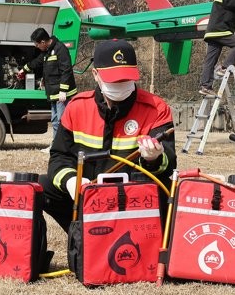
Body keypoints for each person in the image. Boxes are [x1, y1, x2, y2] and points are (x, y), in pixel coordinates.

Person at [42, 39, 176, 233]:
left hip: (134, 199)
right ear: (95, 74)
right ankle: (81, 233)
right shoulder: (77, 107)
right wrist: (71, 181)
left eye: (126, 79)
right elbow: (59, 157)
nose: (121, 85)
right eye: (114, 80)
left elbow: (169, 166)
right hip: (88, 193)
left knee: (168, 191)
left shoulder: (156, 109)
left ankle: (147, 240)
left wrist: (153, 160)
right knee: (42, 187)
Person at [20, 27, 77, 146]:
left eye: (37, 44)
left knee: (62, 121)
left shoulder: (60, 49)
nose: (36, 47)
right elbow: (37, 62)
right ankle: (56, 146)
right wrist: (24, 70)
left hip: (62, 94)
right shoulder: (46, 51)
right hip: (53, 93)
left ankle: (64, 146)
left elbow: (66, 70)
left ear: (43, 42)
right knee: (55, 121)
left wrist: (63, 90)